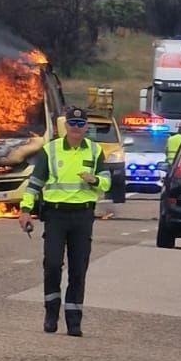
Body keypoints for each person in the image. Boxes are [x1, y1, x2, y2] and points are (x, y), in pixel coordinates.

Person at [17, 105, 111, 336]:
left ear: (86, 126)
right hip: (56, 216)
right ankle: (51, 312)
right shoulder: (51, 150)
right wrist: (25, 209)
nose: (76, 128)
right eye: (72, 124)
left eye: (81, 124)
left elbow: (108, 182)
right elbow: (35, 184)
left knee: (78, 269)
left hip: (82, 215)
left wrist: (95, 180)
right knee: (52, 264)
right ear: (65, 125)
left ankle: (74, 319)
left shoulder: (95, 151)